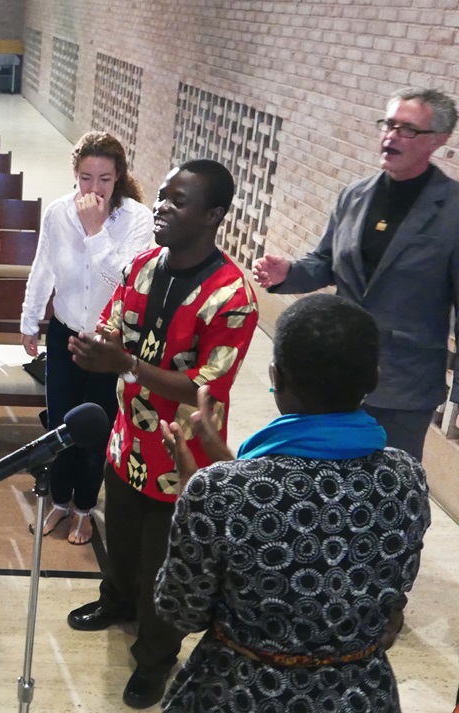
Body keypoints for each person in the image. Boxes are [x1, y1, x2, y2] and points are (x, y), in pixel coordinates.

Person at [155, 293, 431, 712]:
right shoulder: (406, 478)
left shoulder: (221, 492)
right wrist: (216, 464)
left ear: (276, 376)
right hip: (360, 695)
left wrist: (195, 492)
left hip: (240, 691)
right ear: (374, 378)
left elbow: (181, 611)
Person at [65, 159, 259, 709]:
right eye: (162, 197)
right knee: (120, 539)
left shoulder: (233, 295)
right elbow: (113, 322)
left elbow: (204, 385)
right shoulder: (145, 264)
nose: (161, 208)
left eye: (178, 201)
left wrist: (123, 363)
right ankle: (116, 602)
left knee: (165, 563)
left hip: (183, 452)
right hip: (128, 438)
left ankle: (155, 657)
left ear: (213, 215)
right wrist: (93, 345)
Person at [252, 86, 459, 462]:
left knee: (387, 484)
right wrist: (289, 273)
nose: (391, 135)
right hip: (334, 370)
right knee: (321, 474)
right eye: (388, 124)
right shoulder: (354, 196)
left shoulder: (453, 210)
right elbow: (325, 262)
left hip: (403, 383)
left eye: (408, 129)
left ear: (440, 141)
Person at [19, 131, 154, 545]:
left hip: (109, 341)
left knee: (96, 428)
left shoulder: (138, 219)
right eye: (85, 178)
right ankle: (59, 502)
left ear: (119, 178)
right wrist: (30, 320)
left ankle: (83, 508)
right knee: (60, 423)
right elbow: (43, 265)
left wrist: (95, 230)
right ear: (74, 175)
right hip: (64, 331)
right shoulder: (59, 212)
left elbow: (125, 279)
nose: (93, 189)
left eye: (104, 179)